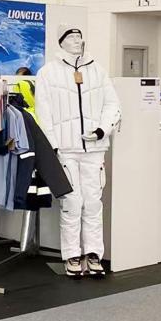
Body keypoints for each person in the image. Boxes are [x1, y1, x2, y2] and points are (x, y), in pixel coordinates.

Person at [35, 25, 121, 279]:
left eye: (79, 36)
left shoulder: (97, 70)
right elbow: (43, 112)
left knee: (93, 203)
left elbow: (112, 104)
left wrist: (102, 130)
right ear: (61, 42)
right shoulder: (47, 73)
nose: (77, 41)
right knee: (72, 203)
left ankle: (93, 254)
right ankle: (72, 254)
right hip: (66, 150)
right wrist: (54, 145)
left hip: (94, 149)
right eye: (71, 37)